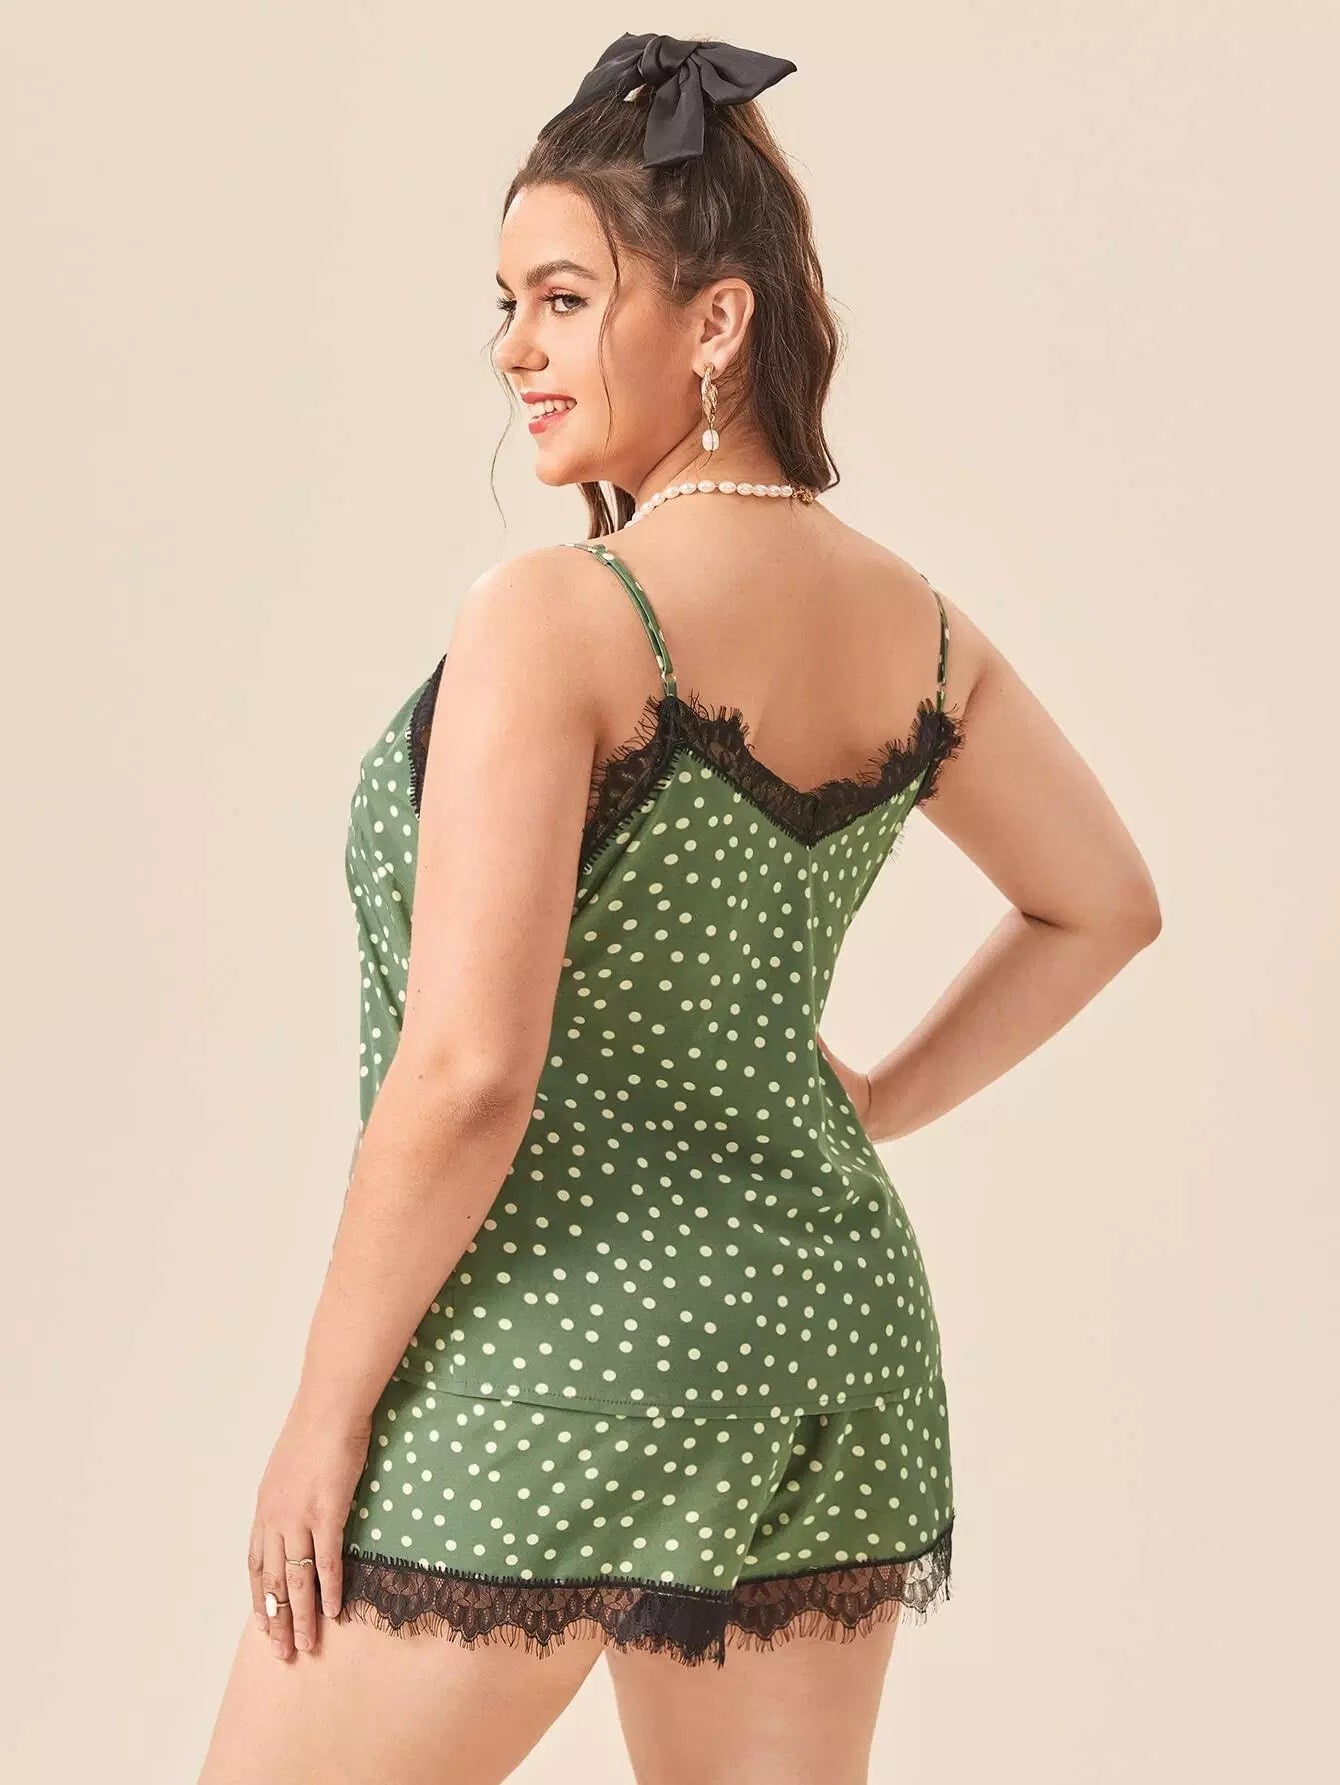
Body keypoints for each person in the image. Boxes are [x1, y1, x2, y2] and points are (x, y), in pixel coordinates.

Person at [199, 31, 1162, 1785]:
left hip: (570, 1331)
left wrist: (321, 1420)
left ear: (715, 323)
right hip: (829, 1329)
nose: (514, 348)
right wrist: (867, 1105)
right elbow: (1101, 903)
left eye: (564, 299)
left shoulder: (560, 616)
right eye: (508, 303)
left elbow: (468, 1071)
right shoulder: (920, 629)